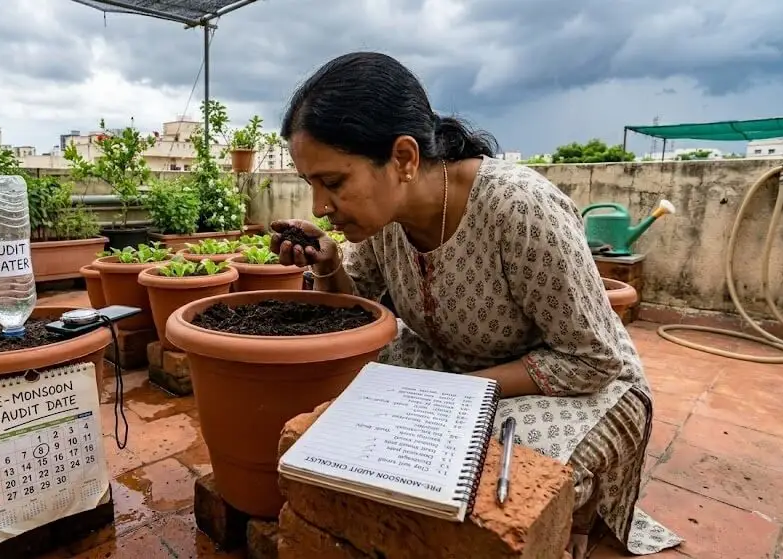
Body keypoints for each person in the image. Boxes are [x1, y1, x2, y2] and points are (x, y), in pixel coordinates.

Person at [269, 51, 683, 558]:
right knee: (357, 409)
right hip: (452, 368)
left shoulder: (519, 208)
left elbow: (593, 360)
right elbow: (358, 316)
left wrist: (453, 397)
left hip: (574, 387)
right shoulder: (383, 222)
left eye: (332, 183)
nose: (319, 206)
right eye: (309, 183)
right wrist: (329, 264)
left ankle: (569, 521)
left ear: (403, 158)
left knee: (488, 491)